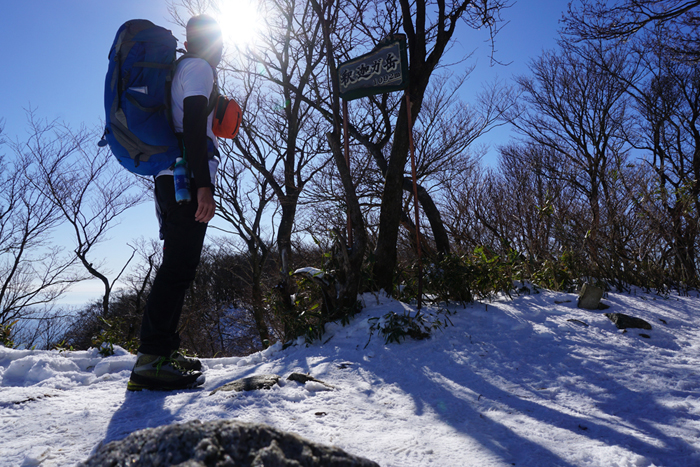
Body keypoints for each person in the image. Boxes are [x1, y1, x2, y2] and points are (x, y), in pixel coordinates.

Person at [128, 15, 223, 391]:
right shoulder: (199, 68)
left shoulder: (178, 69)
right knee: (178, 270)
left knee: (177, 267)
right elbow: (196, 128)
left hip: (168, 179)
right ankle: (150, 360)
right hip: (186, 180)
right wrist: (205, 186)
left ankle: (163, 351)